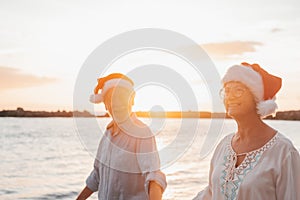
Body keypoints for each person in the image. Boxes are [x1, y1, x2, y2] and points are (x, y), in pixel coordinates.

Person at [193, 62, 300, 200]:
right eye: (226, 90)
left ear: (257, 97)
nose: (230, 96)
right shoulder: (223, 146)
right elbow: (211, 193)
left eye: (238, 90)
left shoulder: (284, 152)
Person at [76, 73, 167, 200]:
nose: (117, 104)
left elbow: (154, 177)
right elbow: (96, 176)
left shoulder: (142, 133)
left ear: (132, 100)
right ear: (105, 105)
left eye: (122, 97)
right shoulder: (107, 136)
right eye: (111, 99)